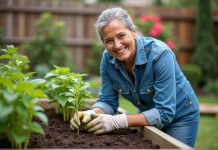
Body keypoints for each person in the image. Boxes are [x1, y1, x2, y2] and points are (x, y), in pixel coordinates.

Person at [70, 7, 200, 148]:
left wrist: (116, 122)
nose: (117, 45)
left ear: (133, 32)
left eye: (121, 36)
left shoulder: (160, 55)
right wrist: (91, 113)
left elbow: (165, 112)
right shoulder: (108, 60)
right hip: (148, 113)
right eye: (109, 41)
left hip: (180, 116)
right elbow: (108, 101)